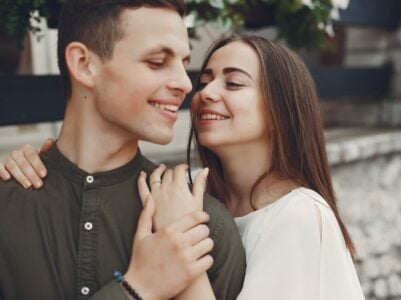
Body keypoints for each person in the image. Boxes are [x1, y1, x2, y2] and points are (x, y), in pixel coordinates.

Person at [2, 35, 366, 299]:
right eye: (205, 80)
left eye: (233, 83)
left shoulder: (299, 216)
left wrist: (182, 247)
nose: (205, 92)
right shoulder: (187, 190)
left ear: (280, 111)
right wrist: (42, 162)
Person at [0, 1, 246, 299]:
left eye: (184, 63)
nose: (185, 83)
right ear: (83, 64)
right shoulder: (7, 203)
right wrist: (136, 288)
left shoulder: (205, 226)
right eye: (157, 62)